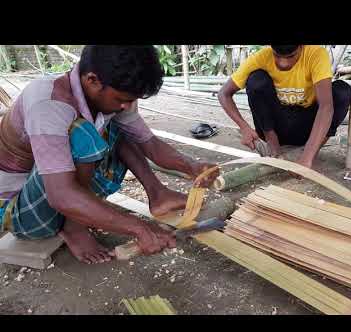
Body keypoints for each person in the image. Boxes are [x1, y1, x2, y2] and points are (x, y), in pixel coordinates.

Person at [0, 45, 218, 264]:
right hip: (21, 211)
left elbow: (148, 142)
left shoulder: (112, 98)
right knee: (84, 134)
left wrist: (191, 166)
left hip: (55, 186)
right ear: (92, 80)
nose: (127, 106)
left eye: (132, 100)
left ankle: (158, 194)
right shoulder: (49, 103)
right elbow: (61, 195)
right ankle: (74, 227)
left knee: (116, 126)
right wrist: (139, 227)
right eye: (122, 99)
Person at [218, 45, 351, 169]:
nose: (283, 63)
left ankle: (311, 151)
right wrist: (244, 127)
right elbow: (224, 93)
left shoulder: (316, 54)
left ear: (301, 46)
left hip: (308, 128)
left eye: (291, 56)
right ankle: (273, 145)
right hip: (277, 127)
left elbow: (326, 107)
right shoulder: (261, 57)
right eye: (277, 55)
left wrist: (306, 157)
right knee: (256, 80)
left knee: (342, 91)